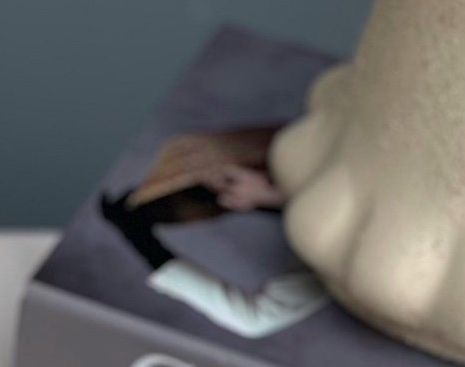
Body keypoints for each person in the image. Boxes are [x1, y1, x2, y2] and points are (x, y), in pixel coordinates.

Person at [100, 129, 328, 340]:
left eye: (230, 179)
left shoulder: (331, 131)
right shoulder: (318, 252)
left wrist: (276, 194)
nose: (233, 194)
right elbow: (253, 318)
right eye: (221, 194)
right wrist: (143, 242)